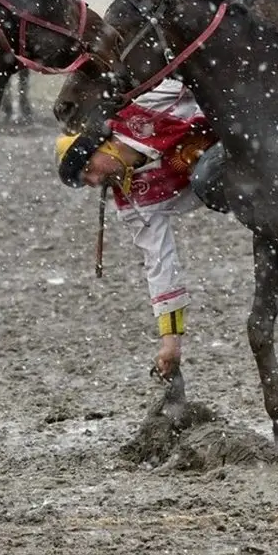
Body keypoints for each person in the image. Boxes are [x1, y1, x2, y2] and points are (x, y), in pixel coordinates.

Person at [54, 79, 216, 381]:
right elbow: (160, 264)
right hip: (243, 169)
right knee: (211, 177)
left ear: (102, 144)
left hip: (248, 105)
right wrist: (171, 345)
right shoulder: (133, 204)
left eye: (87, 170)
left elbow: (196, 75)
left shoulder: (142, 109)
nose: (92, 182)